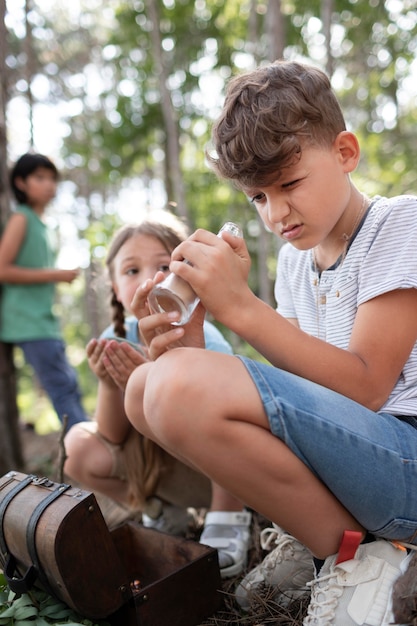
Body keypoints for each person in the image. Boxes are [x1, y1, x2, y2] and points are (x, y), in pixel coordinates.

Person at [123, 60, 417, 625]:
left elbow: (367, 386)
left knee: (175, 383)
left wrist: (241, 309)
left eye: (289, 184)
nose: (275, 213)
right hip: (355, 464)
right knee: (146, 387)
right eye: (258, 198)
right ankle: (336, 548)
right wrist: (191, 347)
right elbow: (299, 404)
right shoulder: (294, 264)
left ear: (345, 153)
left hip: (405, 464)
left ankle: (362, 559)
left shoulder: (400, 225)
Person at [64, 214, 252, 573]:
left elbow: (228, 411)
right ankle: (162, 512)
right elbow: (111, 436)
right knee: (78, 447)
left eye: (165, 265)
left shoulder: (203, 334)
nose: (150, 279)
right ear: (116, 289)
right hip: (161, 470)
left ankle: (230, 514)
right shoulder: (114, 337)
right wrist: (109, 383)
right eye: (132, 270)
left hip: (222, 470)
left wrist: (157, 379)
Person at [0, 153, 88, 432]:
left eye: (52, 178)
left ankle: (85, 444)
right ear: (21, 183)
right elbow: (2, 269)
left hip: (42, 319)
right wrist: (56, 275)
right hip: (26, 321)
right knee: (63, 388)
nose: (49, 184)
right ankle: (87, 449)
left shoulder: (44, 225)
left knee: (68, 385)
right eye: (39, 177)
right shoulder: (21, 218)